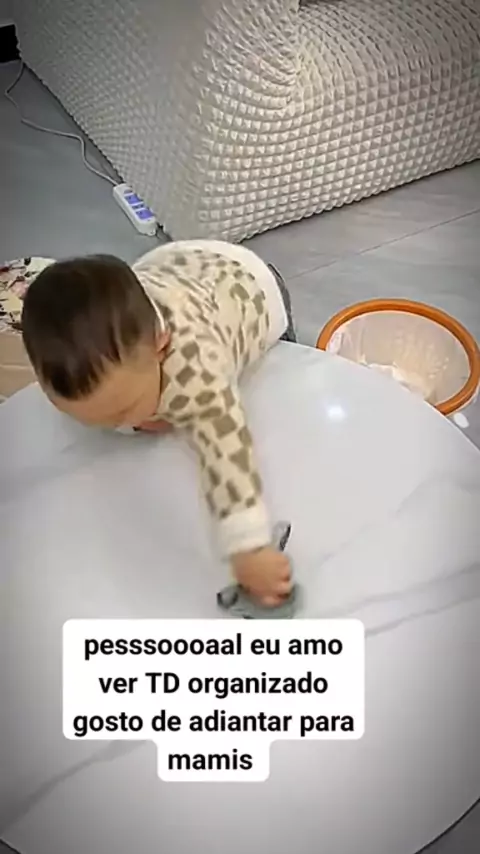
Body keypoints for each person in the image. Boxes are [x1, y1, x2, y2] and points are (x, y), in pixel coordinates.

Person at [21, 240, 297, 606]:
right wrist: (134, 417)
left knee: (287, 378)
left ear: (161, 345)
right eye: (89, 418)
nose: (118, 425)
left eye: (125, 410)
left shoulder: (196, 365)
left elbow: (228, 451)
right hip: (172, 267)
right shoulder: (120, 353)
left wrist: (249, 548)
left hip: (249, 287)